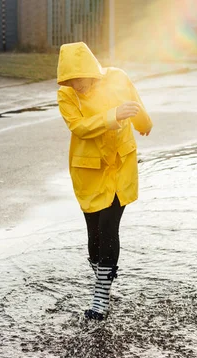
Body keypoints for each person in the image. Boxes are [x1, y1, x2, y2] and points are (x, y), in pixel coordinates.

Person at [56, 42, 153, 321]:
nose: (78, 86)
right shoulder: (66, 95)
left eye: (81, 80)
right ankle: (103, 273)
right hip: (89, 170)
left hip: (119, 165)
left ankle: (101, 294)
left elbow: (134, 103)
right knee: (94, 237)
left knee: (110, 228)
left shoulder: (117, 77)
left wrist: (144, 123)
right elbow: (79, 128)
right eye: (71, 81)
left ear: (91, 71)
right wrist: (113, 115)